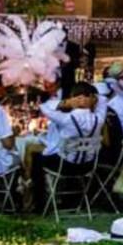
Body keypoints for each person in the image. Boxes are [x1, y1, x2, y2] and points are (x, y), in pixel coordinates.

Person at [31, 81, 103, 209]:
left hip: (64, 166)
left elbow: (43, 107)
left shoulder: (66, 119)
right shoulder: (99, 118)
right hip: (87, 167)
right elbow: (103, 101)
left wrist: (66, 102)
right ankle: (69, 201)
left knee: (37, 159)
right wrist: (91, 99)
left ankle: (40, 203)